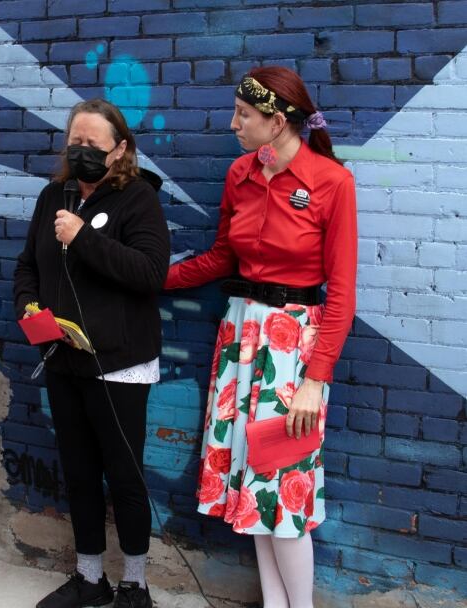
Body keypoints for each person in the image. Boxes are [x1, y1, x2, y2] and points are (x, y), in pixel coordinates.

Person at [165, 67, 357, 608]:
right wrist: (154, 276)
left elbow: (341, 293)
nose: (233, 124)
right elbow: (224, 256)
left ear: (276, 122)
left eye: (243, 115)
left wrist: (315, 381)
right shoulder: (240, 174)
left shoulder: (331, 183)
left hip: (293, 350)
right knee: (252, 485)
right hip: (240, 341)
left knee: (284, 492)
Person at [14, 99, 170, 608]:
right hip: (64, 357)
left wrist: (83, 238)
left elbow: (150, 273)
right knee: (78, 471)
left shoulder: (138, 199)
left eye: (93, 144)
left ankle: (135, 584)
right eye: (74, 142)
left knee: (124, 476)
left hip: (120, 365)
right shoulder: (51, 196)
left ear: (120, 148)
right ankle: (89, 578)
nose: (80, 152)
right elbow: (27, 266)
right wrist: (29, 307)